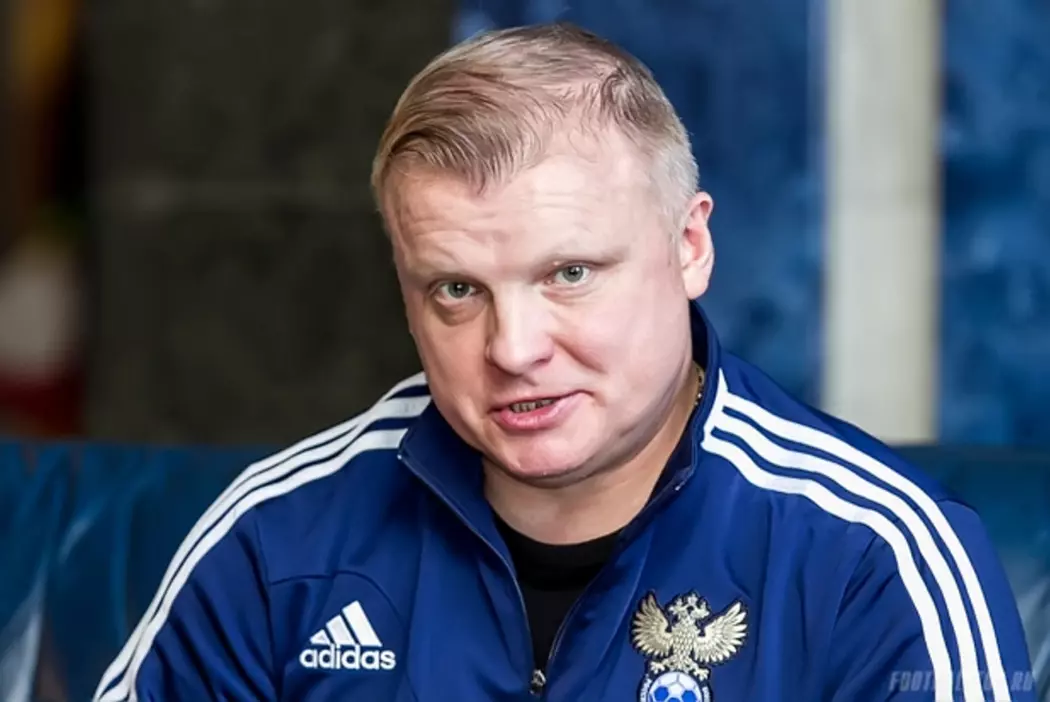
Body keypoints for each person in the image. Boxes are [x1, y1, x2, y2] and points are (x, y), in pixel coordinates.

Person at [93, 23, 1034, 702]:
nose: (512, 349)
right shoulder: (277, 540)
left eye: (569, 274)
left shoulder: (874, 561)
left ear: (690, 248)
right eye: (456, 290)